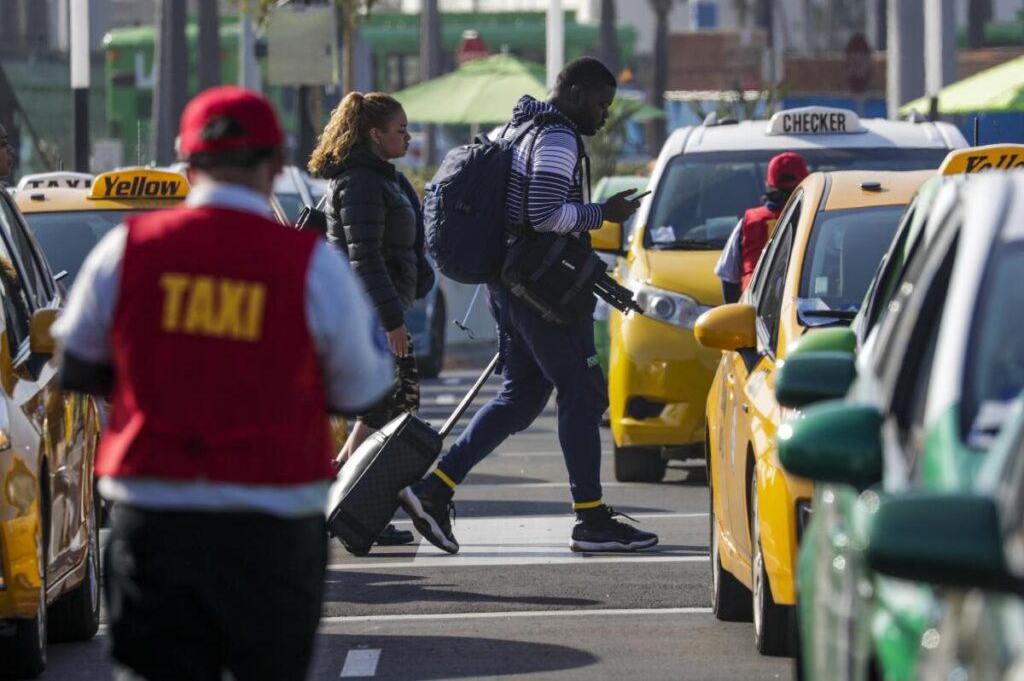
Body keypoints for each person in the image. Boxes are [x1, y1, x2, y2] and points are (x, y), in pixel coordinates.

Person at [51, 86, 394, 681]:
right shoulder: (310, 264)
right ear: (276, 166)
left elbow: (76, 364)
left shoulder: (127, 251)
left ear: (188, 166)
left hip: (156, 517)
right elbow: (364, 386)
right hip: (272, 523)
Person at [399, 57, 659, 554]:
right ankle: (591, 519)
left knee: (520, 397)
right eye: (601, 104)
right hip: (544, 292)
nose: (604, 116)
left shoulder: (516, 128)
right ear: (576, 93)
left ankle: (435, 489)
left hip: (509, 286)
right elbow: (543, 214)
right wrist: (603, 212)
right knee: (582, 393)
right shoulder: (558, 138)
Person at [309, 91, 435, 547]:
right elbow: (364, 260)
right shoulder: (360, 182)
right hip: (369, 316)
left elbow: (397, 247)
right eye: (401, 130)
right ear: (375, 134)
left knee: (388, 408)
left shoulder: (383, 178)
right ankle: (346, 499)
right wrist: (390, 321)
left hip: (380, 313)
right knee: (392, 408)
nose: (408, 138)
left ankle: (342, 494)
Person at [714, 151, 809, 303]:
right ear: (807, 184)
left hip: (755, 309)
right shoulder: (817, 221)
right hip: (805, 310)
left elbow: (728, 276)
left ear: (768, 185)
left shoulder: (749, 222)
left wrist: (739, 314)